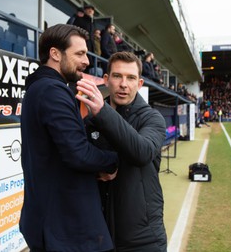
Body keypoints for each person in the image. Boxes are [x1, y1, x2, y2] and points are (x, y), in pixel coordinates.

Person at [20, 24, 119, 252]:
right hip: (65, 229)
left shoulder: (43, 88)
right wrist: (113, 161)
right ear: (55, 54)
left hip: (57, 225)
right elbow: (78, 153)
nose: (86, 61)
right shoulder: (52, 90)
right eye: (79, 54)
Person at [76, 51, 168, 252]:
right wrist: (96, 170)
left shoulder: (152, 119)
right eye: (117, 76)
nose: (123, 84)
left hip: (143, 240)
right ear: (106, 80)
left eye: (131, 78)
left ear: (140, 84)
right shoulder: (91, 122)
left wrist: (103, 112)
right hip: (100, 235)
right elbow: (76, 161)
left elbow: (142, 152)